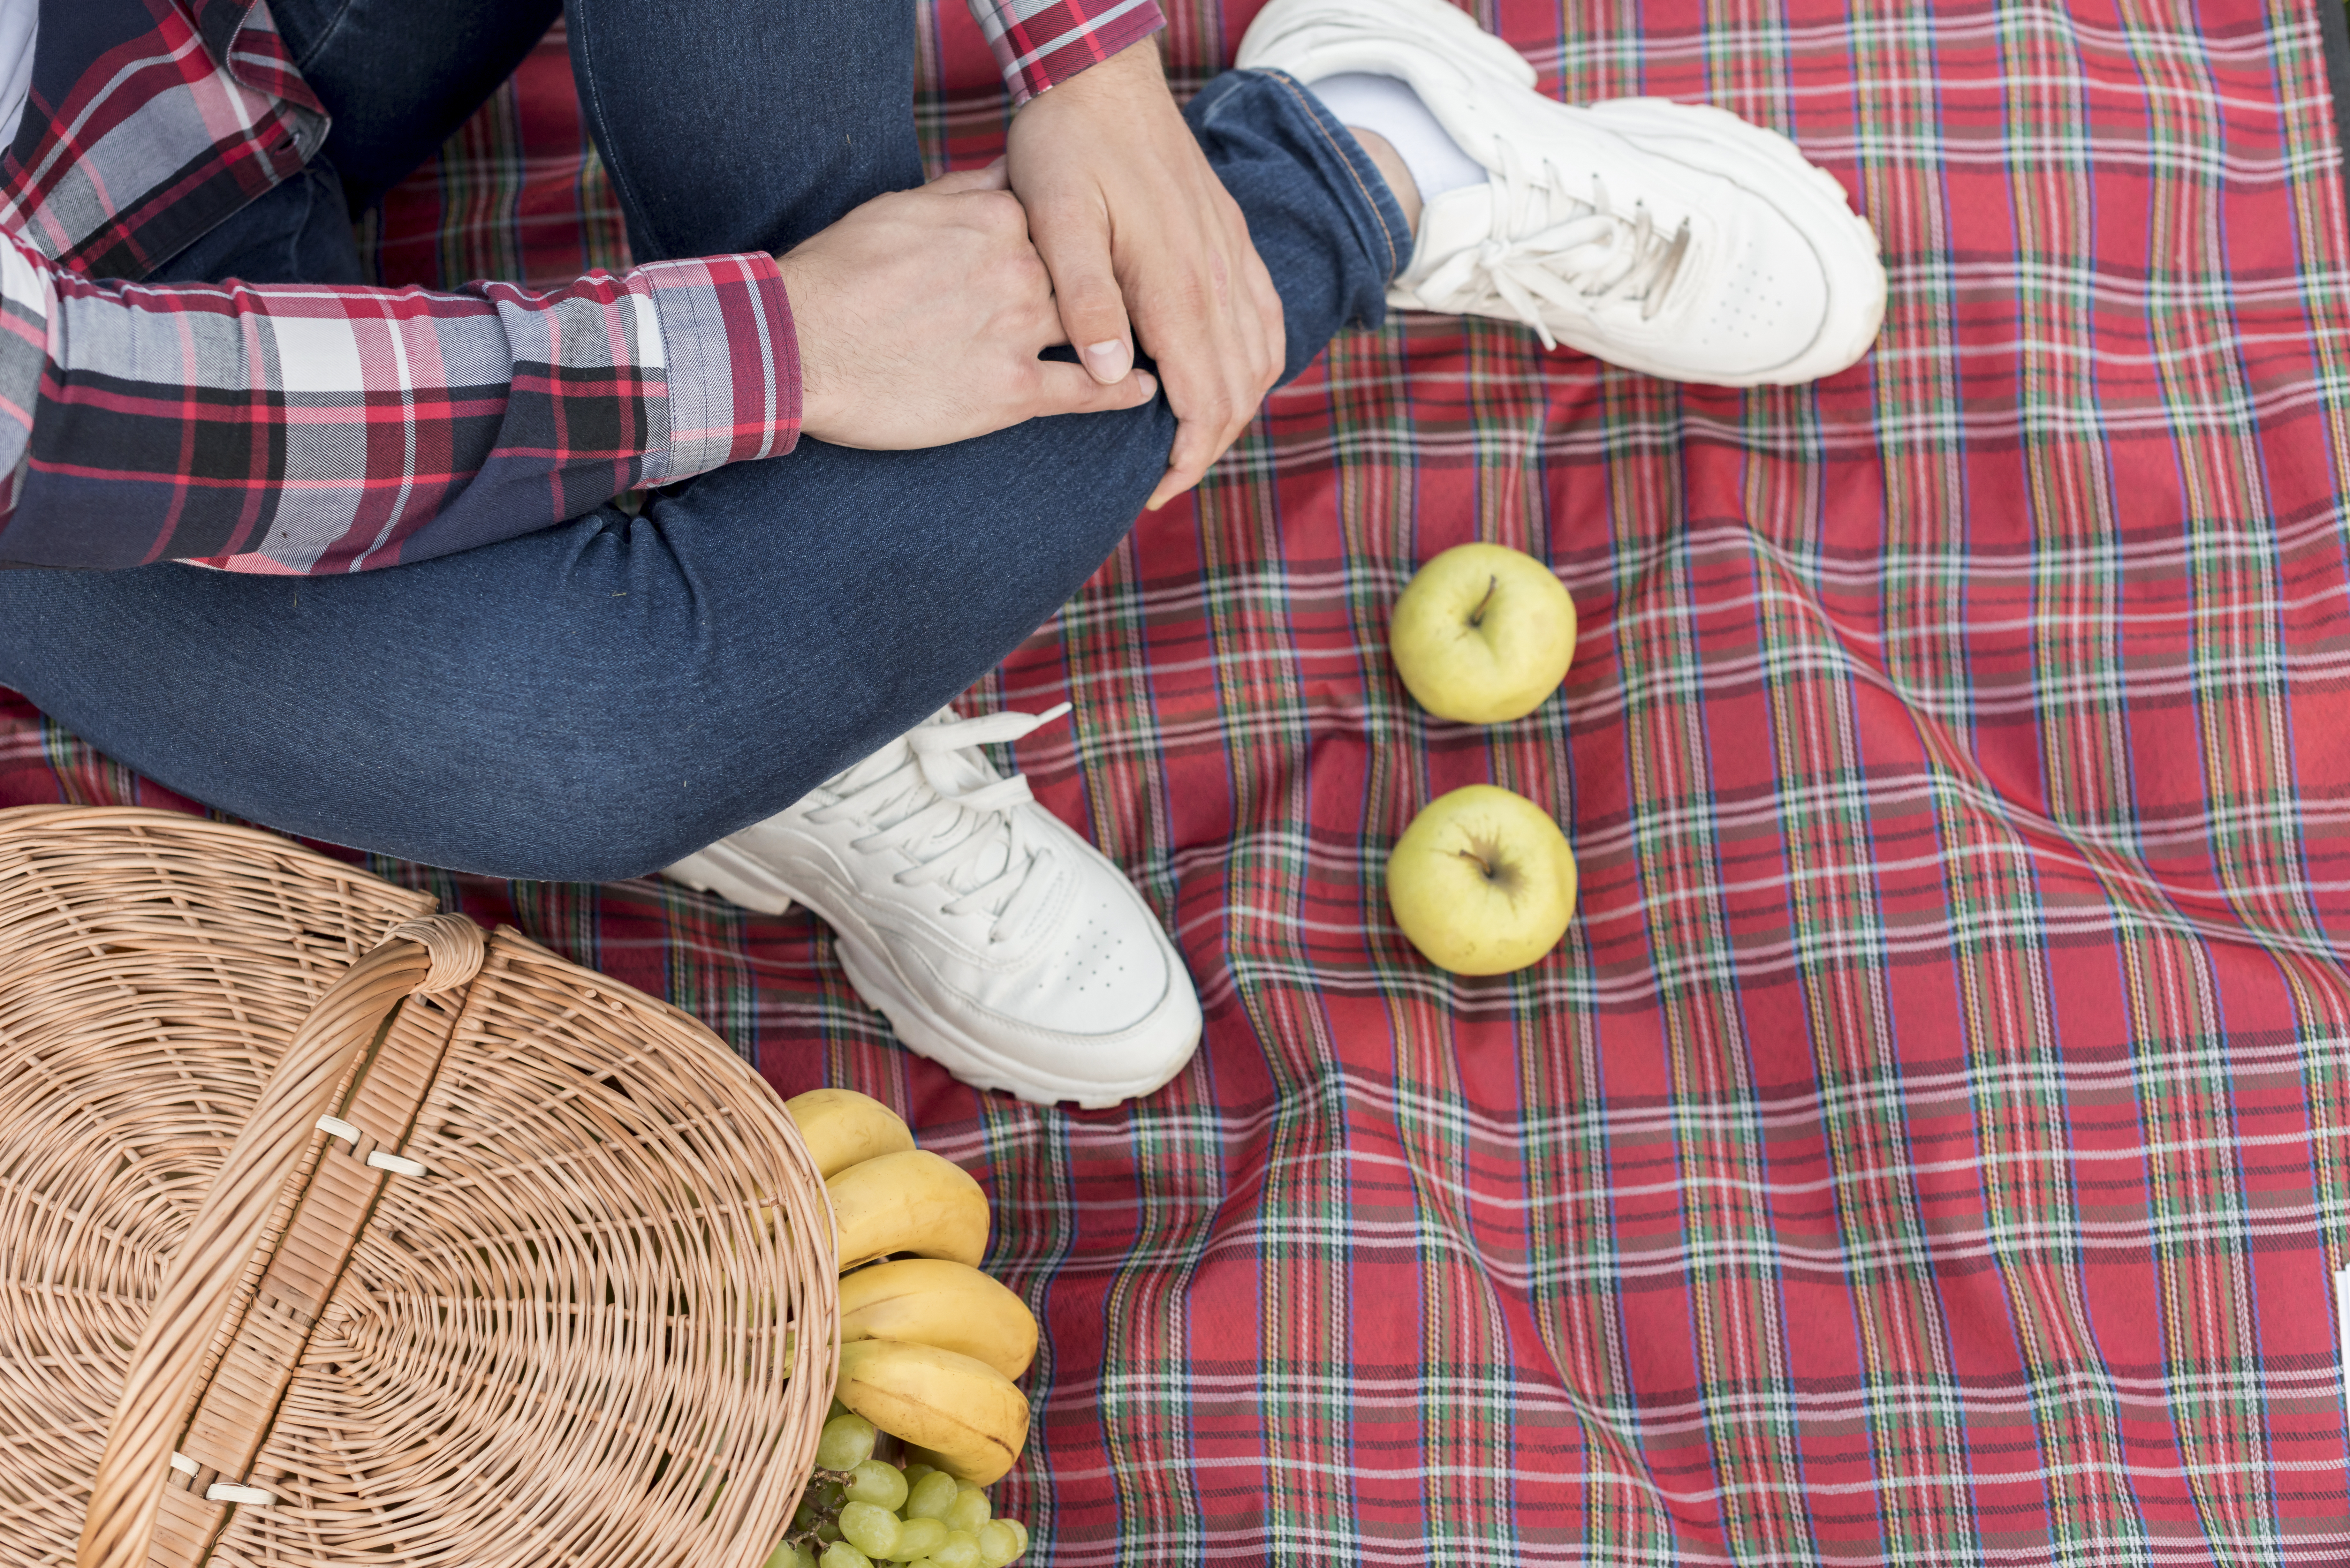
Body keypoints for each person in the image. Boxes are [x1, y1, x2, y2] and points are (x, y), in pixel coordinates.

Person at [0, 0, 1884, 1106]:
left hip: (182, 44)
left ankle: (823, 608)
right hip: (58, 427)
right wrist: (781, 344)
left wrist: (1092, 59)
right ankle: (1369, 168)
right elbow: (71, 415)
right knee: (583, 738)